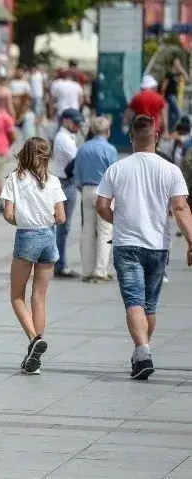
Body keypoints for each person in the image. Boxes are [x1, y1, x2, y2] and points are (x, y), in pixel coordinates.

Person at [96, 114, 192, 380]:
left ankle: (142, 352)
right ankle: (142, 353)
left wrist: (119, 220)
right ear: (157, 137)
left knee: (134, 301)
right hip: (158, 245)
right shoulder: (170, 169)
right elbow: (181, 208)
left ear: (131, 138)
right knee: (149, 305)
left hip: (127, 243)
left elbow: (102, 206)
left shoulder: (117, 168)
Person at [0, 137, 67, 375]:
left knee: (17, 296)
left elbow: (8, 214)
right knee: (39, 297)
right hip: (49, 237)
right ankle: (35, 356)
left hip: (27, 236)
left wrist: (24, 219)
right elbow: (61, 217)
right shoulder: (54, 181)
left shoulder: (15, 179)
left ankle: (33, 340)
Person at [73, 116, 118, 283]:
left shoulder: (83, 148)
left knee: (87, 230)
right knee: (105, 230)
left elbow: (77, 174)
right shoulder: (110, 149)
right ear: (107, 131)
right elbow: (114, 174)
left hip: (86, 188)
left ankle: (87, 270)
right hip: (104, 191)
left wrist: (82, 187)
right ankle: (100, 270)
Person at [51, 108, 84, 278]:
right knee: (63, 227)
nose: (78, 125)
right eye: (75, 122)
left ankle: (59, 263)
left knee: (62, 226)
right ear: (65, 120)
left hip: (65, 182)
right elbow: (78, 159)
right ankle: (60, 265)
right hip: (66, 183)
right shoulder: (64, 138)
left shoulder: (66, 137)